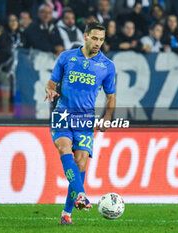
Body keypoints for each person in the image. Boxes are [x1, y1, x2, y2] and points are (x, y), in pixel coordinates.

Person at [44, 21, 116, 225]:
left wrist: (107, 118)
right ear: (85, 36)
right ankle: (81, 194)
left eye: (101, 39)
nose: (98, 43)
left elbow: (111, 97)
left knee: (81, 161)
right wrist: (50, 90)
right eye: (94, 38)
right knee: (64, 148)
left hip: (85, 118)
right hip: (62, 113)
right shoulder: (66, 57)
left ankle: (66, 214)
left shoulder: (107, 66)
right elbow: (51, 83)